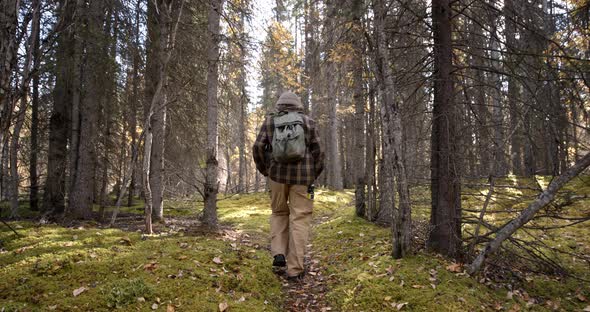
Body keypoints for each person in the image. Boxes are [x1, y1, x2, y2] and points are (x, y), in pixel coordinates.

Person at [252, 91, 324, 281]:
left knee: (279, 213)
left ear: (280, 105)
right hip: (303, 179)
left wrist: (266, 171)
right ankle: (295, 269)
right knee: (299, 219)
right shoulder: (308, 122)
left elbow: (257, 147)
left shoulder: (270, 122)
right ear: (298, 105)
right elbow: (319, 152)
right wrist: (312, 174)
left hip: (276, 177)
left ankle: (279, 254)